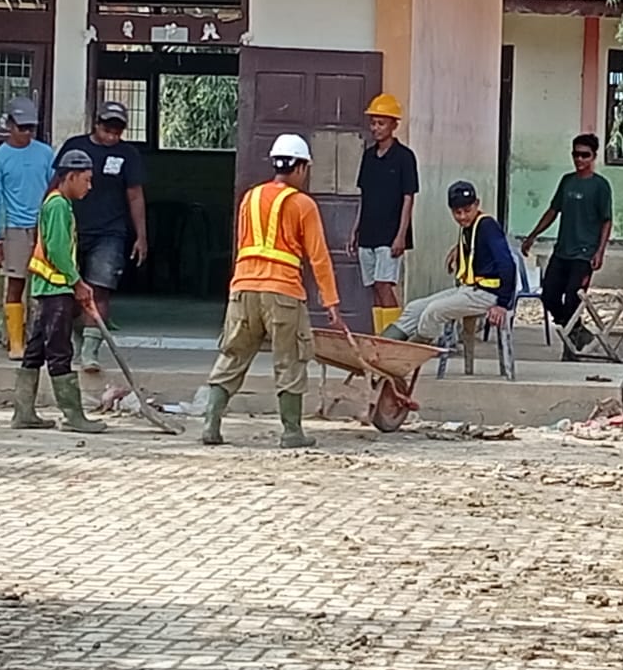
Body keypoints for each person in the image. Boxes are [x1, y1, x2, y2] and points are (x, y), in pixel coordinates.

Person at [199, 133, 346, 450]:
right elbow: (318, 257)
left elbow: (242, 245)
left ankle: (211, 425)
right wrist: (331, 301)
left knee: (232, 356)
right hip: (283, 294)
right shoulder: (302, 204)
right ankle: (292, 432)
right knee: (290, 361)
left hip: (243, 289)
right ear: (302, 167)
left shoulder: (249, 198)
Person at [11, 149, 105, 434]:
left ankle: (23, 412)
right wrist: (77, 282)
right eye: (86, 180)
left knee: (36, 350)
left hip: (50, 288)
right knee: (60, 350)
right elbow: (58, 251)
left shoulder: (59, 204)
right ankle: (73, 416)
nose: (89, 186)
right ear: (71, 177)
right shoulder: (58, 206)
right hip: (56, 289)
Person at [54, 100, 147, 374]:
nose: (112, 135)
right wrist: (45, 225)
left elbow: (135, 195)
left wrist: (141, 235)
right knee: (69, 290)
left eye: (118, 130)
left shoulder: (128, 155)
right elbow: (55, 185)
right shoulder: (75, 146)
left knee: (101, 289)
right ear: (96, 124)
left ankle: (90, 352)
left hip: (110, 232)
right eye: (108, 128)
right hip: (72, 229)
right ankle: (77, 341)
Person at [381, 181, 516, 344]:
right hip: (468, 290)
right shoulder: (469, 227)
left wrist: (502, 304)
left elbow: (507, 265)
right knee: (414, 308)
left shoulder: (488, 226)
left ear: (477, 204)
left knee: (434, 311)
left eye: (467, 210)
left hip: (488, 294)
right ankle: (384, 344)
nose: (463, 216)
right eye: (457, 212)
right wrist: (458, 249)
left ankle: (414, 351)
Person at [521, 133, 613, 356]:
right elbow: (553, 211)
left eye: (585, 155)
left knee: (573, 298)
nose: (579, 160)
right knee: (549, 295)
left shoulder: (600, 186)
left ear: (593, 157)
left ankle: (569, 348)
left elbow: (606, 221)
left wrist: (600, 251)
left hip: (584, 254)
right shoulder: (567, 181)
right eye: (576, 154)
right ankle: (577, 331)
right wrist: (533, 235)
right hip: (562, 251)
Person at [0, 96, 54, 360]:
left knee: (45, 285)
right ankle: (16, 341)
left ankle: (40, 339)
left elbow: (53, 189)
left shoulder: (45, 153)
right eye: (22, 127)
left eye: (31, 128)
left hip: (43, 227)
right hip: (15, 228)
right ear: (9, 125)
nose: (26, 133)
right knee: (16, 283)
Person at [348, 93, 418, 335]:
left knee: (385, 285)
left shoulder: (405, 157)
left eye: (381, 123)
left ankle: (396, 337)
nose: (376, 128)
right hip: (368, 232)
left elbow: (408, 197)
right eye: (374, 122)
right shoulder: (368, 156)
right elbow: (363, 196)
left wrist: (401, 235)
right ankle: (381, 336)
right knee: (374, 288)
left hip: (390, 235)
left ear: (394, 125)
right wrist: (355, 229)